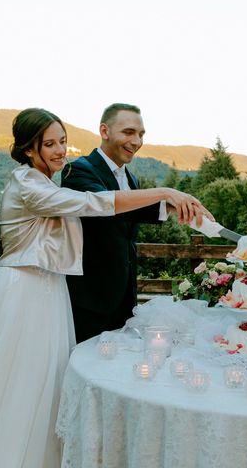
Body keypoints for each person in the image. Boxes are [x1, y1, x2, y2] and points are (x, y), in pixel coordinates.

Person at [0, 108, 209, 467]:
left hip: (50, 293)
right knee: (17, 386)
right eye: (49, 144)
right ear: (27, 149)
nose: (60, 151)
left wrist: (168, 205)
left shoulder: (44, 182)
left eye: (63, 142)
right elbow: (94, 203)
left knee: (47, 385)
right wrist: (164, 190)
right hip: (23, 293)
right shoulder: (28, 184)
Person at [62, 103, 185, 342]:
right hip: (89, 301)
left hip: (125, 299)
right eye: (128, 132)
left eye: (141, 134)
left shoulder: (131, 178)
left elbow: (132, 216)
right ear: (104, 131)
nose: (137, 141)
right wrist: (164, 193)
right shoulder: (77, 171)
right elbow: (111, 208)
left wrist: (173, 207)